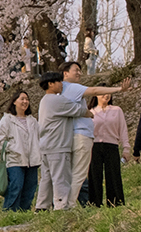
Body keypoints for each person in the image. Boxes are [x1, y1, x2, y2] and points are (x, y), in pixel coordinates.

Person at [55, 60, 128, 208]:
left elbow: (123, 130)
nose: (79, 73)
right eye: (76, 70)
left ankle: (65, 204)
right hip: (86, 140)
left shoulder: (63, 92)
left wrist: (126, 147)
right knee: (84, 175)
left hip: (98, 142)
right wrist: (119, 89)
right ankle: (73, 205)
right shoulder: (74, 90)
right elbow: (94, 90)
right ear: (65, 73)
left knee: (80, 174)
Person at [36, 72, 90, 210]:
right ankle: (62, 206)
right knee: (61, 178)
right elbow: (79, 110)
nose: (62, 85)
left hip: (46, 145)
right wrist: (88, 112)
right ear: (50, 84)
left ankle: (41, 206)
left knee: (46, 179)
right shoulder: (56, 100)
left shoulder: (44, 100)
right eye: (59, 82)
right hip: (58, 145)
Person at [0, 90, 41, 212]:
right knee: (16, 186)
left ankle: (23, 213)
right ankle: (9, 213)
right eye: (22, 99)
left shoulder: (33, 121)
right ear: (14, 101)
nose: (25, 101)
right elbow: (0, 141)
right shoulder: (7, 120)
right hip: (15, 160)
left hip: (32, 160)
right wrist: (15, 148)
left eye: (27, 99)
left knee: (30, 188)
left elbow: (39, 138)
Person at [88, 93, 129, 206]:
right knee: (94, 175)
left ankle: (115, 202)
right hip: (94, 146)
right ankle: (94, 203)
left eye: (108, 94)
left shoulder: (117, 110)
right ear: (96, 95)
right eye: (103, 93)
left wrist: (126, 148)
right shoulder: (91, 111)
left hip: (111, 145)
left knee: (113, 175)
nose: (106, 96)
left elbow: (123, 129)